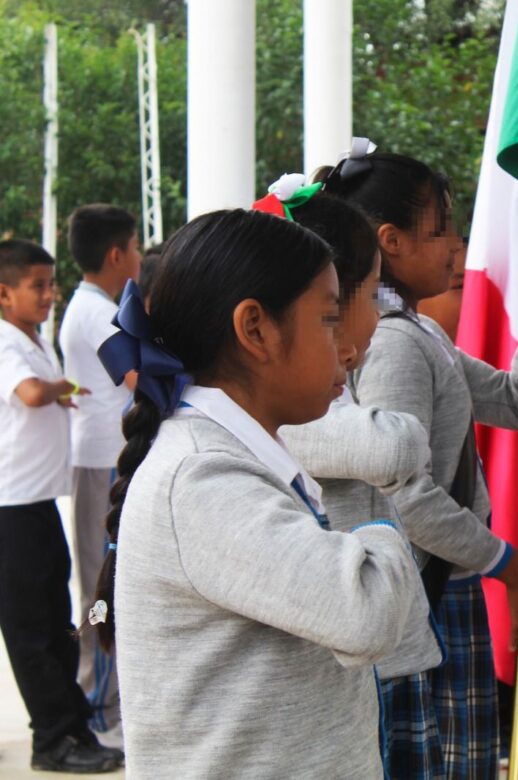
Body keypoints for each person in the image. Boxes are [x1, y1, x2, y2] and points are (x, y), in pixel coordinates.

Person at [93, 209, 436, 776]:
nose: (347, 349)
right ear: (255, 329)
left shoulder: (228, 455)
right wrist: (382, 534)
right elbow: (367, 611)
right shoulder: (201, 479)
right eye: (329, 318)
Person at [320, 144, 518, 778]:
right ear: (391, 241)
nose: (457, 246)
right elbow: (406, 498)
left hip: (439, 583)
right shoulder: (395, 342)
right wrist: (508, 563)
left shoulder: (417, 331)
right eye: (441, 230)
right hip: (422, 590)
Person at [265, 180, 445, 776]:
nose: (380, 314)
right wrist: (387, 541)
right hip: (366, 659)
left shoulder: (311, 402)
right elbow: (391, 447)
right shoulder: (289, 418)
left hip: (385, 653)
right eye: (371, 294)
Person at [0, 239, 123, 773]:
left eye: (52, 284)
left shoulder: (30, 338)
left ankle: (72, 726)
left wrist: (60, 391)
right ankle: (51, 740)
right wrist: (62, 387)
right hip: (11, 508)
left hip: (38, 501)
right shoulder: (4, 342)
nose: (50, 294)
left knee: (57, 623)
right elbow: (29, 394)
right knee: (32, 631)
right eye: (38, 286)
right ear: (4, 294)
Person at [58, 203, 142, 737]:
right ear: (116, 254)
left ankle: (101, 698)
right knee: (100, 588)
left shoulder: (91, 306)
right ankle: (99, 702)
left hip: (101, 460)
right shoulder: (95, 312)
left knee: (102, 582)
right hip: (101, 462)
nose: (138, 257)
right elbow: (139, 377)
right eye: (135, 248)